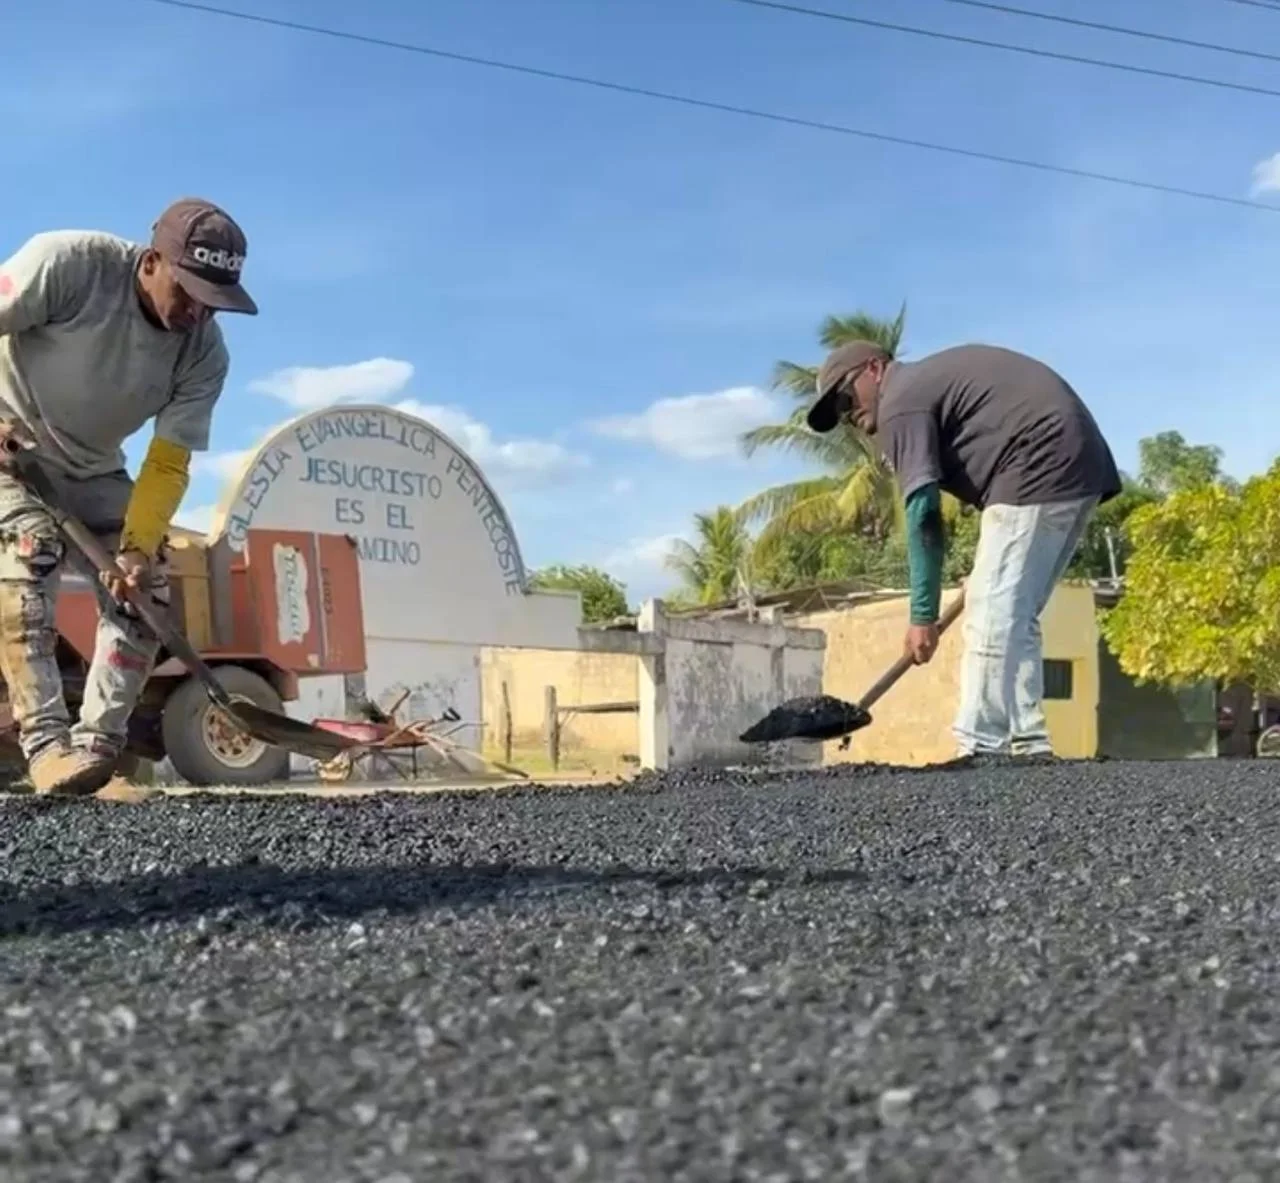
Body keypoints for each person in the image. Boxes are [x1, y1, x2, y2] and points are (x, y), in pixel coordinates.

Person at [0, 197, 257, 795]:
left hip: (94, 473)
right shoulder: (69, 264)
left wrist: (138, 549)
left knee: (148, 593)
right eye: (188, 292)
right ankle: (46, 747)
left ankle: (95, 750)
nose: (197, 312)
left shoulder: (204, 353)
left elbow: (167, 462)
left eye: (213, 302)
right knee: (29, 553)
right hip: (12, 452)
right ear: (151, 261)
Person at [806, 340, 1121, 761]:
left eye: (845, 398)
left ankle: (980, 745)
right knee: (1015, 613)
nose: (848, 415)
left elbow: (923, 514)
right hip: (1079, 461)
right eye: (838, 414)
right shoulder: (920, 389)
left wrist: (923, 615)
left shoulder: (899, 402)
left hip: (1039, 455)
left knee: (991, 612)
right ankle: (1029, 742)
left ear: (875, 369)